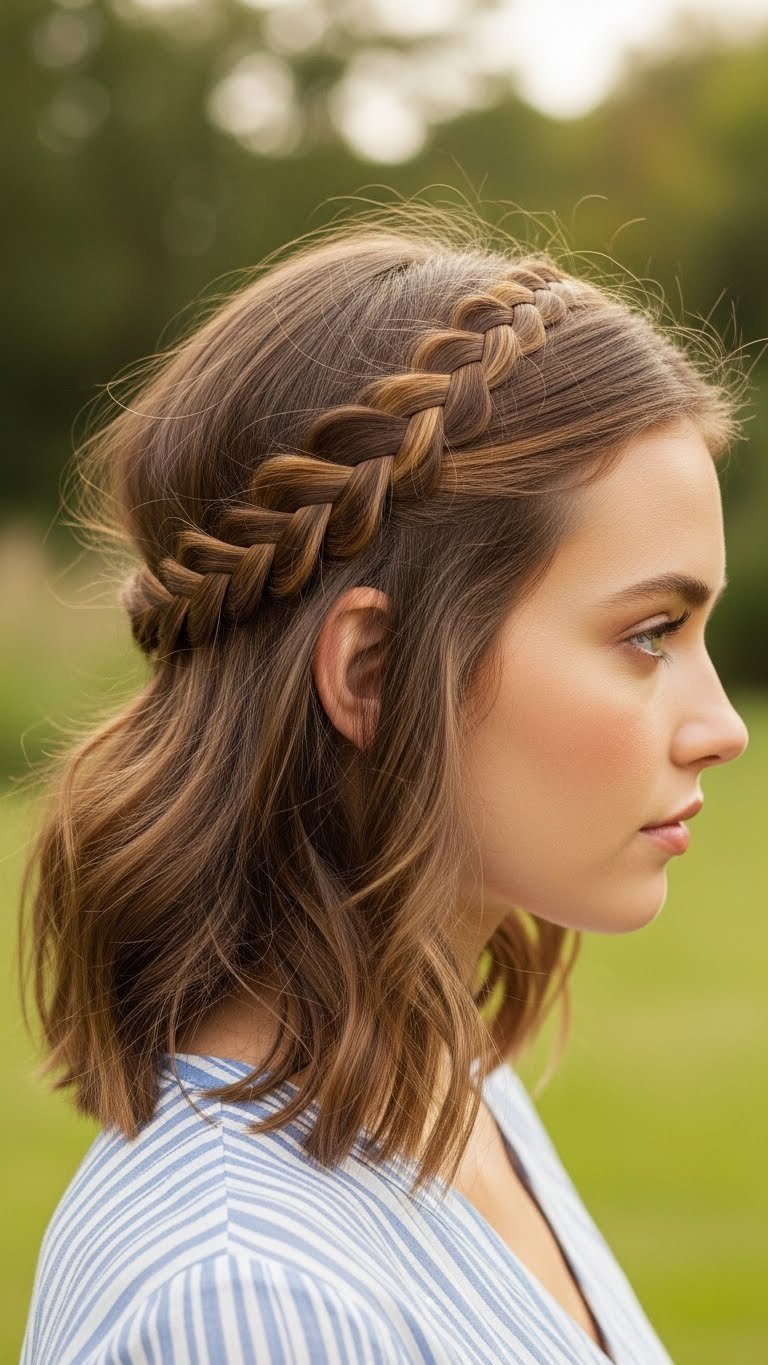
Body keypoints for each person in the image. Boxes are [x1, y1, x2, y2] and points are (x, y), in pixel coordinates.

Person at [17, 215, 749, 1364]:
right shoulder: (244, 1303)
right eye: (650, 633)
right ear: (371, 671)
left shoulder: (444, 1086)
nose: (723, 730)